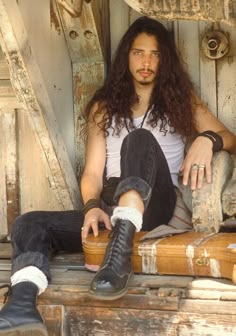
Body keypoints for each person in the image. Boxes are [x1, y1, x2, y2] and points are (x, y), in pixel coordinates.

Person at [0, 16, 235, 336]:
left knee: (137, 140)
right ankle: (22, 306)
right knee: (29, 223)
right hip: (113, 207)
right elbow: (93, 172)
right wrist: (91, 207)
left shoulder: (180, 101)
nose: (147, 62)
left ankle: (118, 257)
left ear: (164, 60)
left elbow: (230, 137)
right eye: (139, 53)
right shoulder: (104, 107)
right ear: (126, 56)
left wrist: (208, 140)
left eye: (155, 54)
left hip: (158, 203)